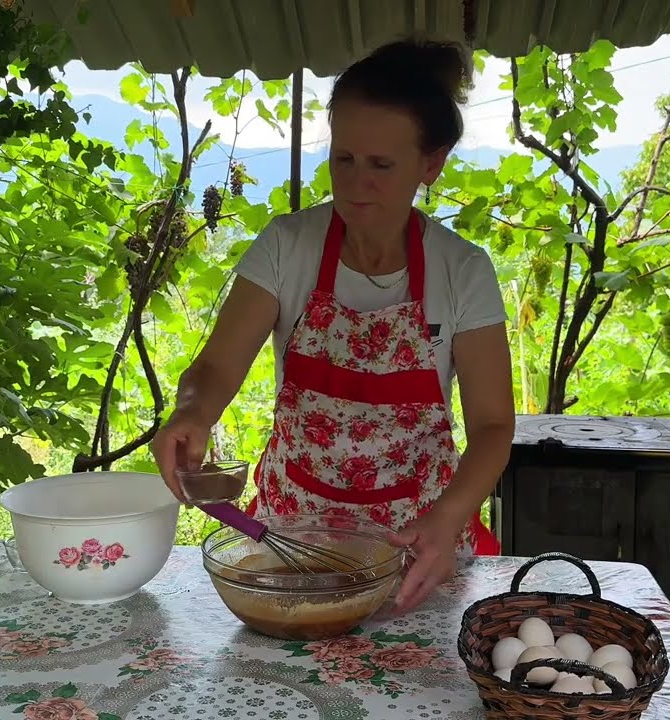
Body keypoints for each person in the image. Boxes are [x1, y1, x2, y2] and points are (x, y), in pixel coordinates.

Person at [152, 37, 516, 613]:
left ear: (432, 163)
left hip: (416, 544)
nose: (355, 183)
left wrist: (447, 519)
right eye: (343, 158)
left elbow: (494, 426)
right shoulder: (286, 246)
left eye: (380, 165)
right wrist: (194, 411)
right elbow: (218, 366)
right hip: (291, 539)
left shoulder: (462, 271)